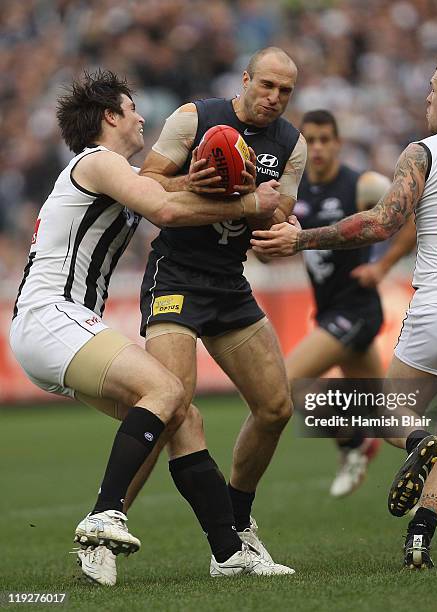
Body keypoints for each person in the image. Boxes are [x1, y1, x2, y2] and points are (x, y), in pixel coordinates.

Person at [9, 69, 291, 586]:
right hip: (52, 315)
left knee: (182, 418)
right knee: (165, 388)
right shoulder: (99, 161)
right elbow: (162, 207)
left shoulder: (109, 169)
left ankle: (228, 551)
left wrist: (200, 182)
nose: (142, 117)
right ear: (110, 116)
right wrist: (251, 202)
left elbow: (165, 191)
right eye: (132, 108)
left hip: (56, 324)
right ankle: (104, 515)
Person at [252, 51, 437, 569]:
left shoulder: (423, 152)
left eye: (433, 87)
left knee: (381, 409)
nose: (426, 96)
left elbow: (383, 222)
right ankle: (421, 536)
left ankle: (415, 441)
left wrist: (300, 240)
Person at [126, 46, 306, 575]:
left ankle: (239, 526)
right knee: (170, 408)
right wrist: (192, 183)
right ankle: (106, 518)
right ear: (246, 79)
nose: (275, 98)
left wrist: (285, 234)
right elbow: (145, 181)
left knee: (276, 407)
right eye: (267, 85)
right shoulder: (196, 118)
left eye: (286, 91)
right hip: (177, 276)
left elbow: (279, 213)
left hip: (229, 284)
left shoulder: (290, 145)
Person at [282, 109, 416, 497]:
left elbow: (409, 216)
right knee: (382, 406)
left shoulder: (362, 184)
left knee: (287, 384)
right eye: (312, 141)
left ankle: (354, 442)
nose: (319, 148)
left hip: (357, 308)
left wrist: (383, 266)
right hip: (328, 309)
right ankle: (420, 456)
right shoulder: (296, 191)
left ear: (338, 143)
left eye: (326, 139)